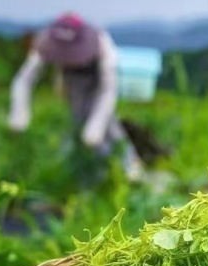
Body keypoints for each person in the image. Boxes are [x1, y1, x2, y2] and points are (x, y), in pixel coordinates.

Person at [8, 13, 143, 180]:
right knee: (78, 120)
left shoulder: (101, 43)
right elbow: (24, 80)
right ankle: (92, 173)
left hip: (98, 81)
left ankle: (128, 168)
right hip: (72, 82)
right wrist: (19, 116)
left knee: (109, 125)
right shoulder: (45, 42)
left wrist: (96, 127)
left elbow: (108, 89)